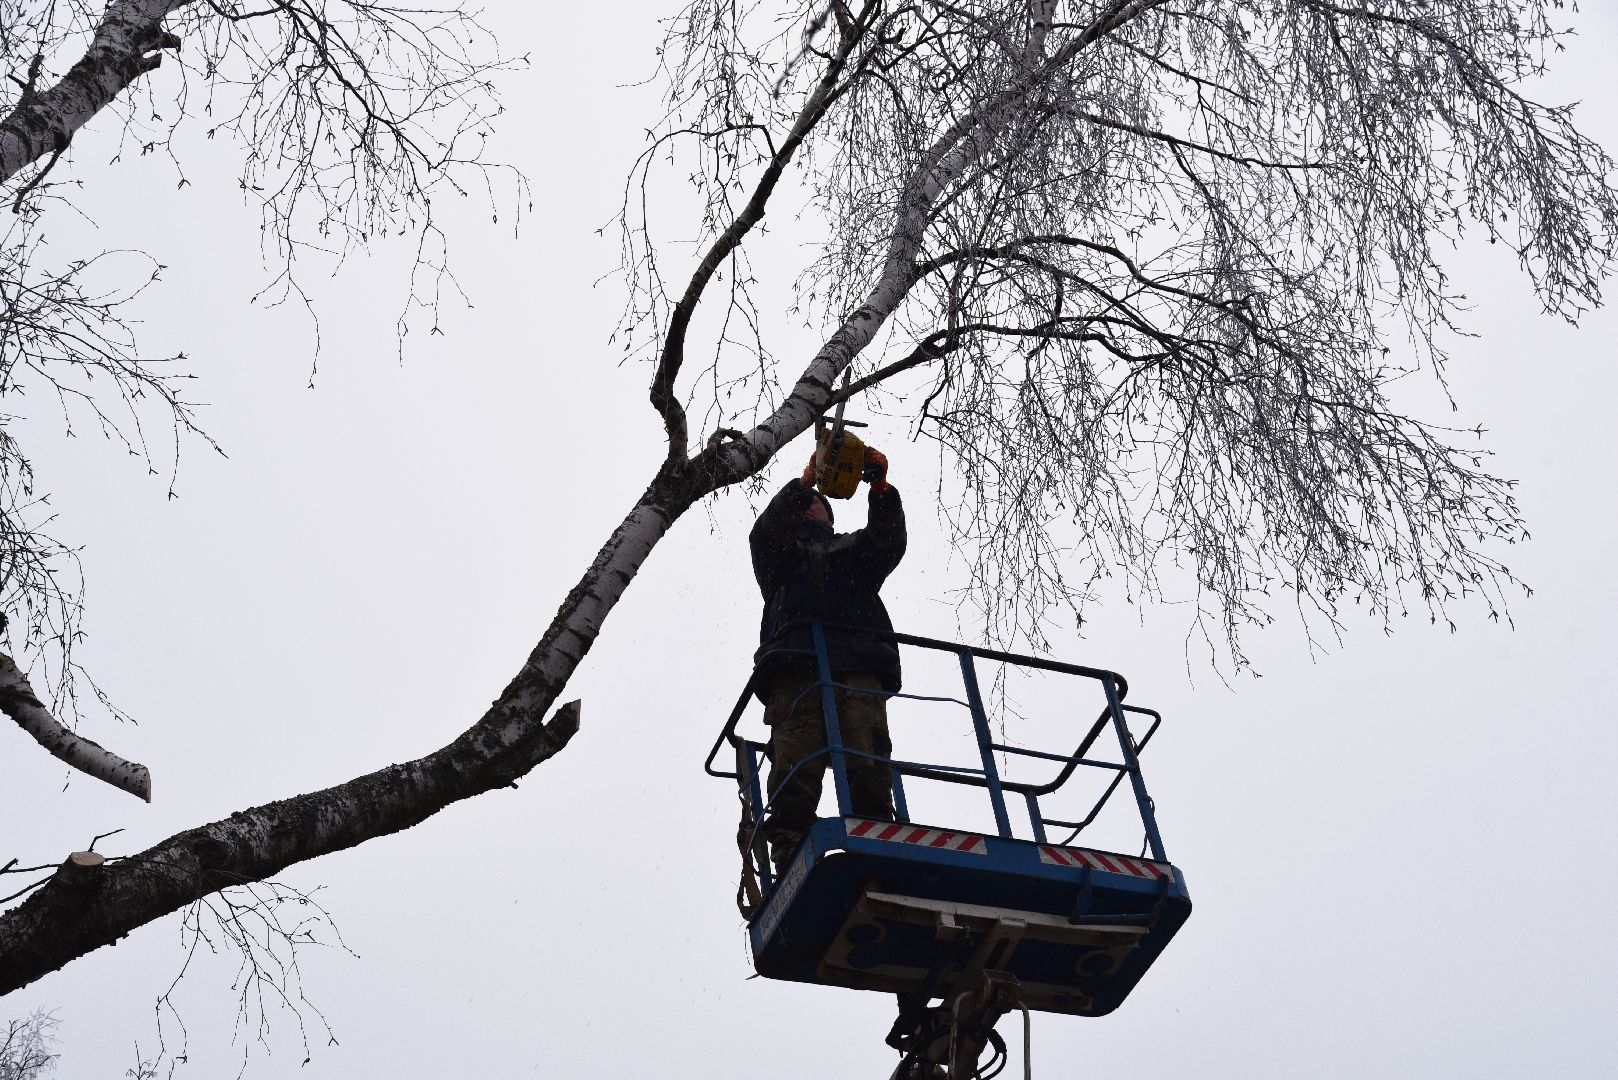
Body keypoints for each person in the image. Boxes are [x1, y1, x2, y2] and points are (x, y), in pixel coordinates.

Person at [749, 441, 905, 869]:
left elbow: (886, 544)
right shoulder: (778, 557)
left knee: (867, 761)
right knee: (795, 761)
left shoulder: (851, 552)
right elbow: (764, 532)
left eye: (815, 502)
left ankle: (875, 842)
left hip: (856, 666)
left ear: (830, 515)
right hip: (795, 668)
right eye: (804, 503)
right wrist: (803, 483)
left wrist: (880, 490)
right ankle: (788, 846)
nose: (808, 507)